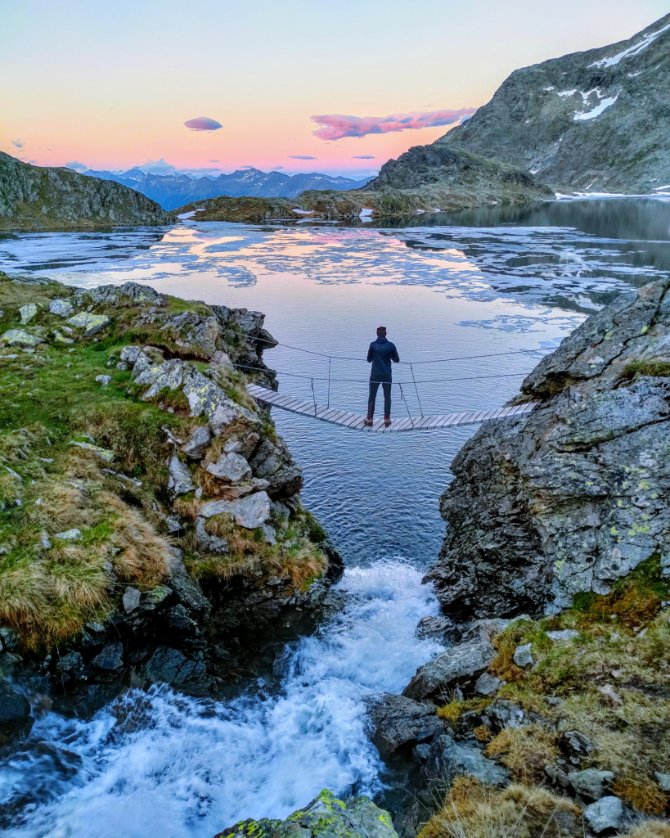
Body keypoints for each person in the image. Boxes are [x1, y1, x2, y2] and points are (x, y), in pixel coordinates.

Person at [365, 326, 399, 427]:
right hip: (387, 374)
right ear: (386, 334)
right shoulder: (391, 345)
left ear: (377, 333)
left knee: (372, 396)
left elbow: (368, 359)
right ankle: (387, 419)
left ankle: (370, 419)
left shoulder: (373, 345)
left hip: (375, 374)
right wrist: (389, 356)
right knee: (387, 396)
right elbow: (397, 359)